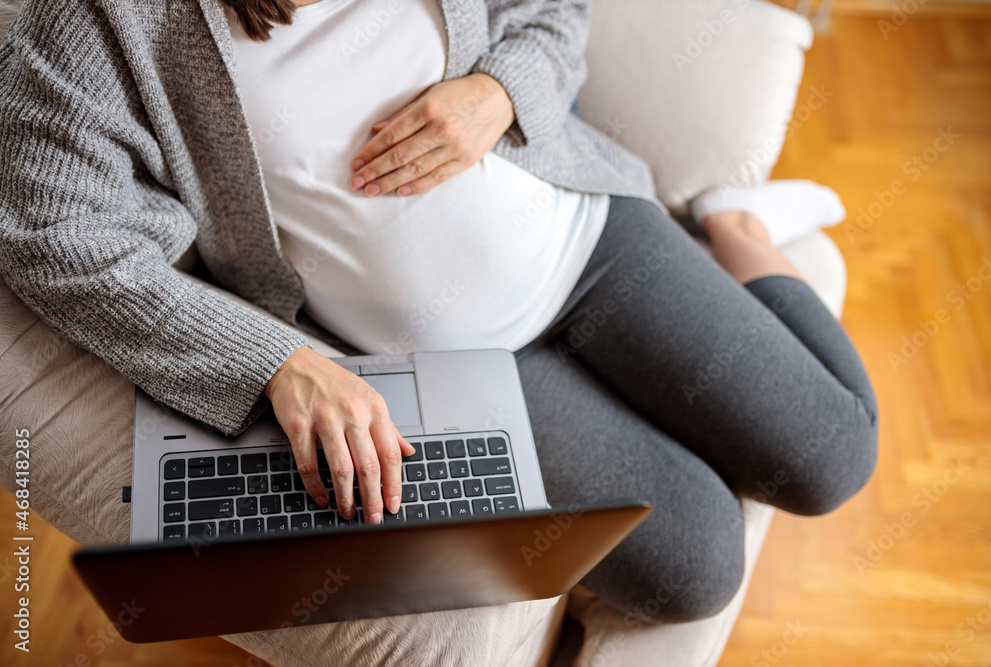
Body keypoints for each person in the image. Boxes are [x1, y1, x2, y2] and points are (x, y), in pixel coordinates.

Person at [0, 0, 877, 622]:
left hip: (587, 235)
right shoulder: (95, 22)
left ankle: (734, 219)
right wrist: (273, 359)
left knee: (833, 457)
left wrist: (498, 92)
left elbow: (553, 11)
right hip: (468, 369)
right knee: (696, 568)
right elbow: (51, 230)